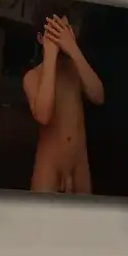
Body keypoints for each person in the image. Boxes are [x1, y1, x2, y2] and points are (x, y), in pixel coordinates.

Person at [22, 14, 106, 194]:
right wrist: (50, 56)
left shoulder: (76, 69)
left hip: (79, 166)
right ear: (40, 38)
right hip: (49, 167)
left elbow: (99, 97)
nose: (61, 38)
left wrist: (74, 50)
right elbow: (44, 116)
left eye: (65, 31)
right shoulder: (33, 76)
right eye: (55, 31)